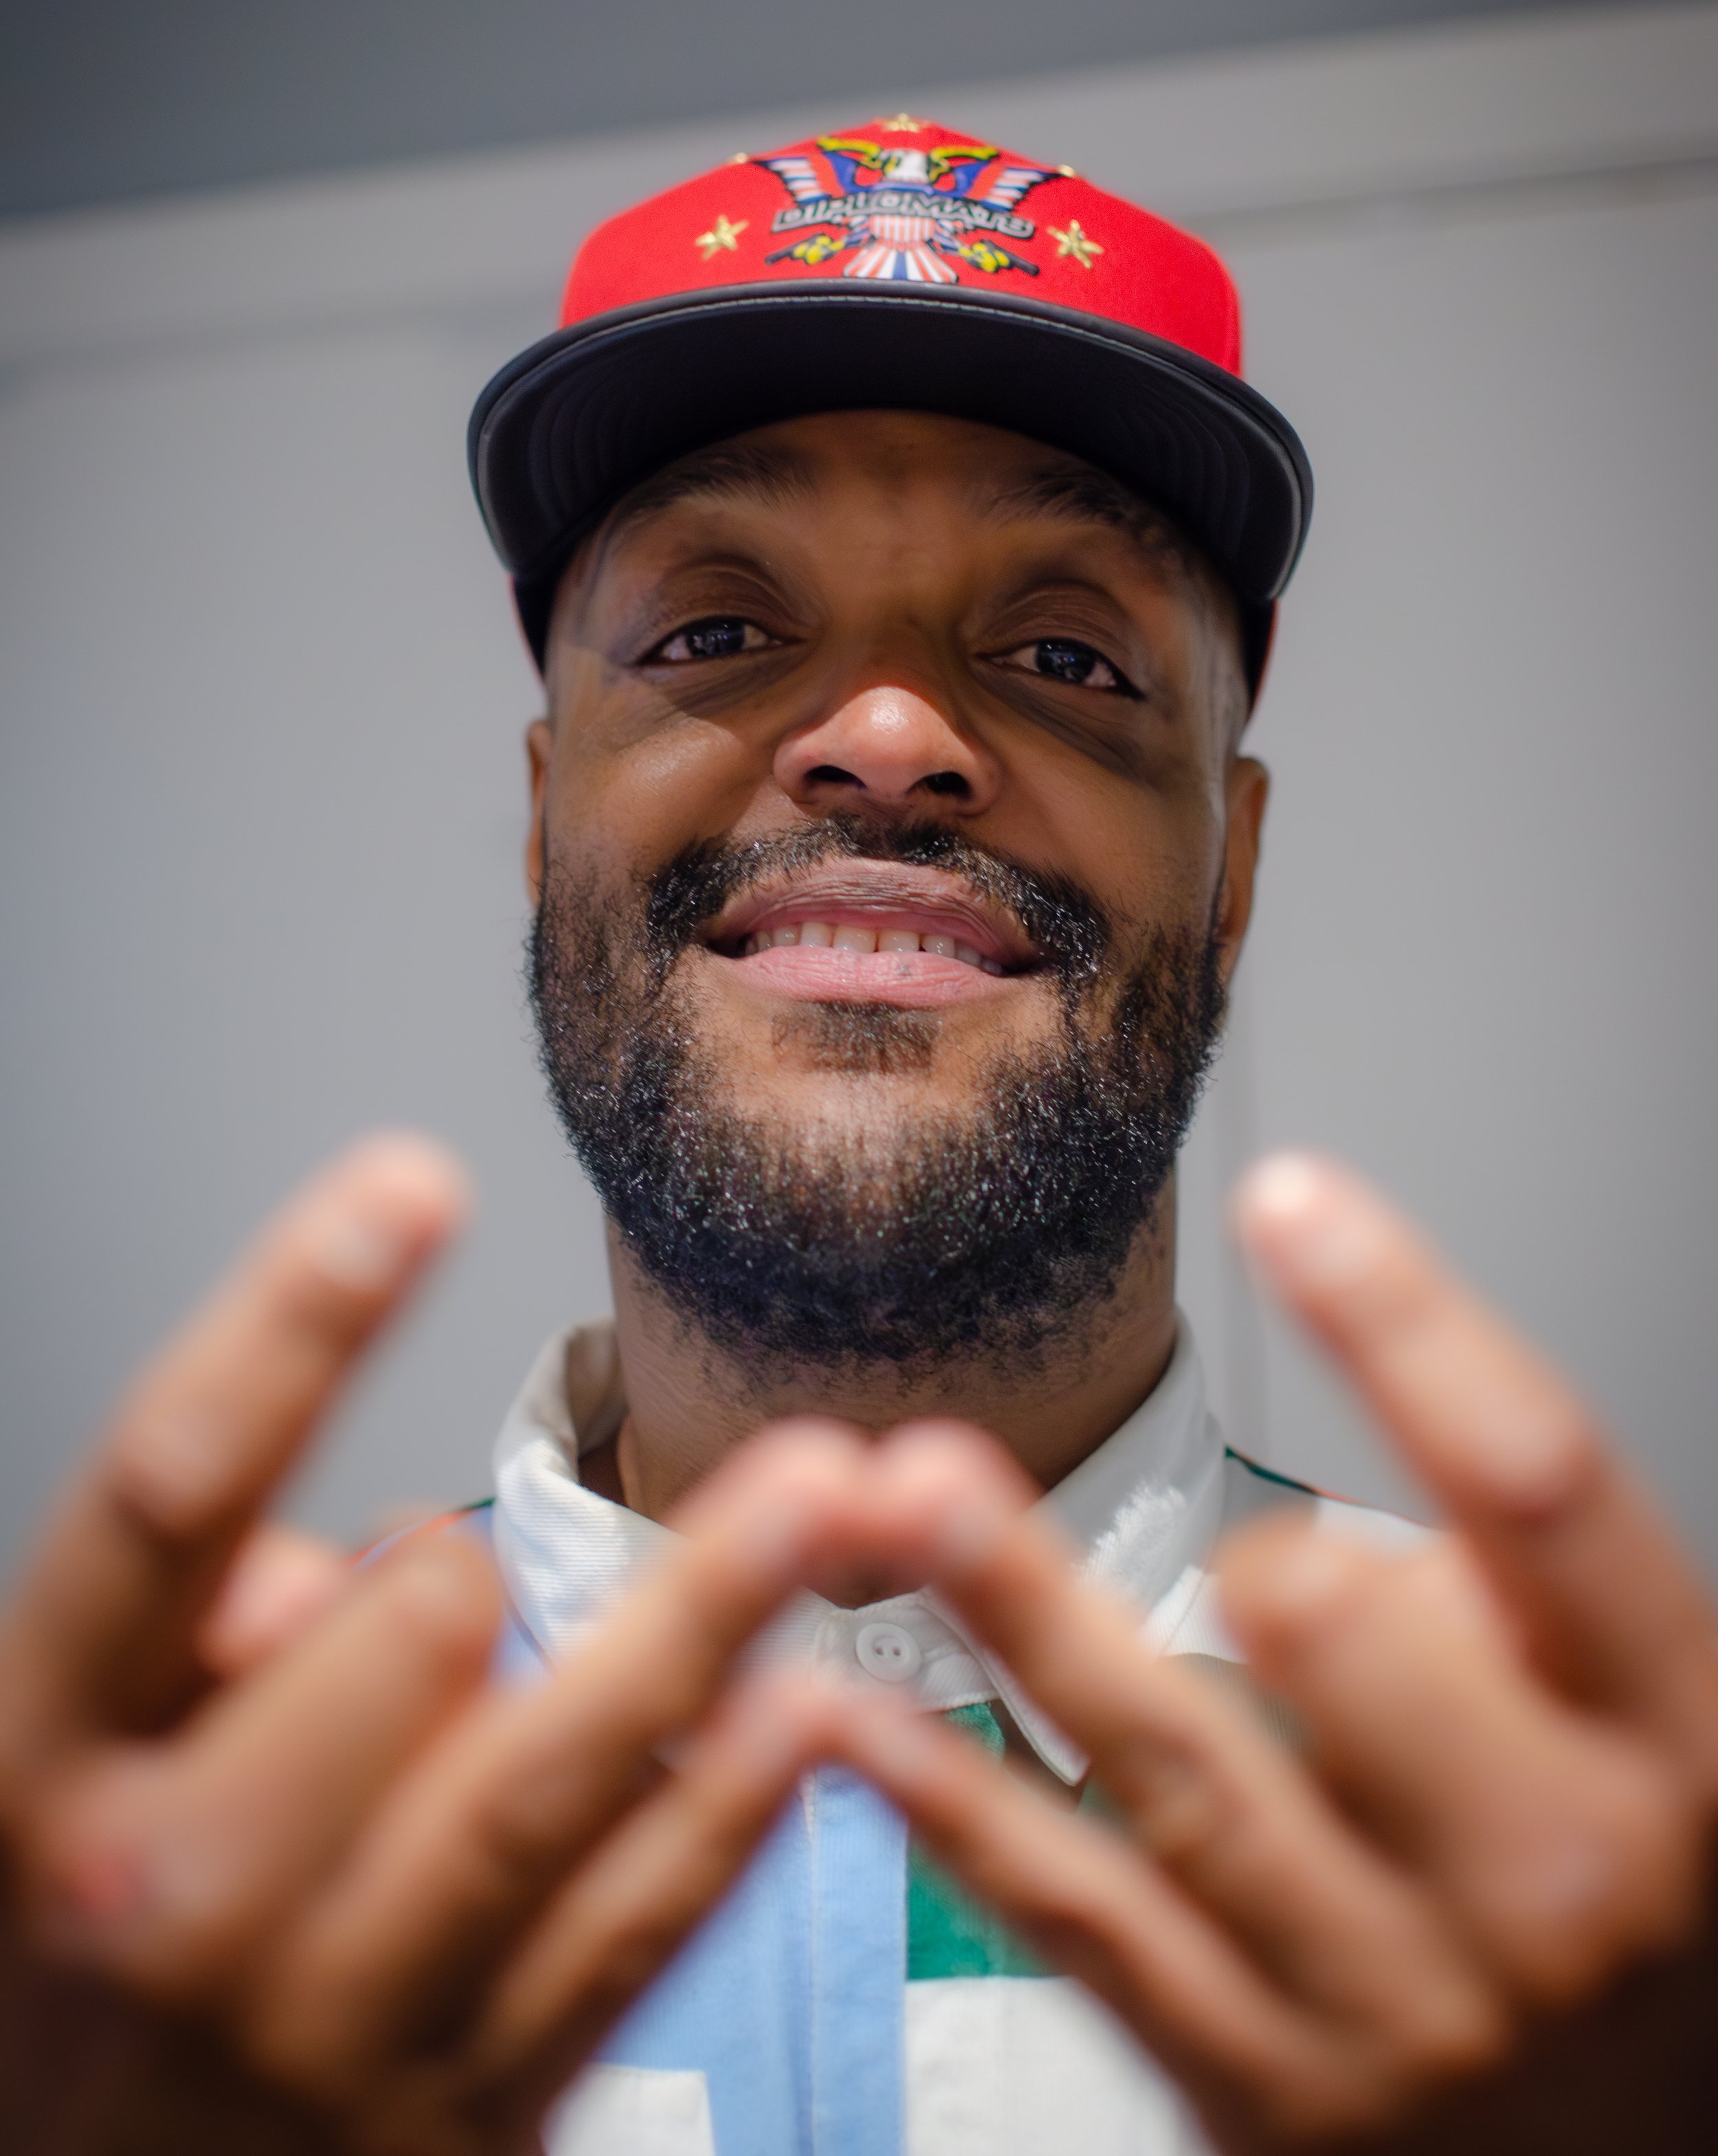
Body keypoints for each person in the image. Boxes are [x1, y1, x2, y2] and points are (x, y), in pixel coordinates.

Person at [1, 124, 1712, 2152]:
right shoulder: (140, 1897)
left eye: (1067, 655)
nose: (885, 736)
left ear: (1230, 868)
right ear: (548, 820)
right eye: (716, 633)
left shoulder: (1604, 1878)